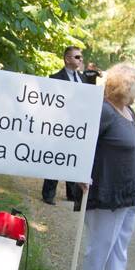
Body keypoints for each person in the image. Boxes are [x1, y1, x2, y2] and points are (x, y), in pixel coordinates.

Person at [74, 64, 135, 270]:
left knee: (121, 242)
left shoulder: (128, 110)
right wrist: (80, 174)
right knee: (102, 241)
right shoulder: (105, 111)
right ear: (125, 86)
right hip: (107, 188)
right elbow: (83, 142)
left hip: (129, 188)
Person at [43, 46, 99, 204]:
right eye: (77, 57)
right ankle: (48, 194)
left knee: (72, 158)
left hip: (78, 127)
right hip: (59, 126)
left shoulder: (84, 79)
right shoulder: (55, 78)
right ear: (67, 59)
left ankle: (71, 193)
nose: (80, 60)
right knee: (55, 158)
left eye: (81, 57)